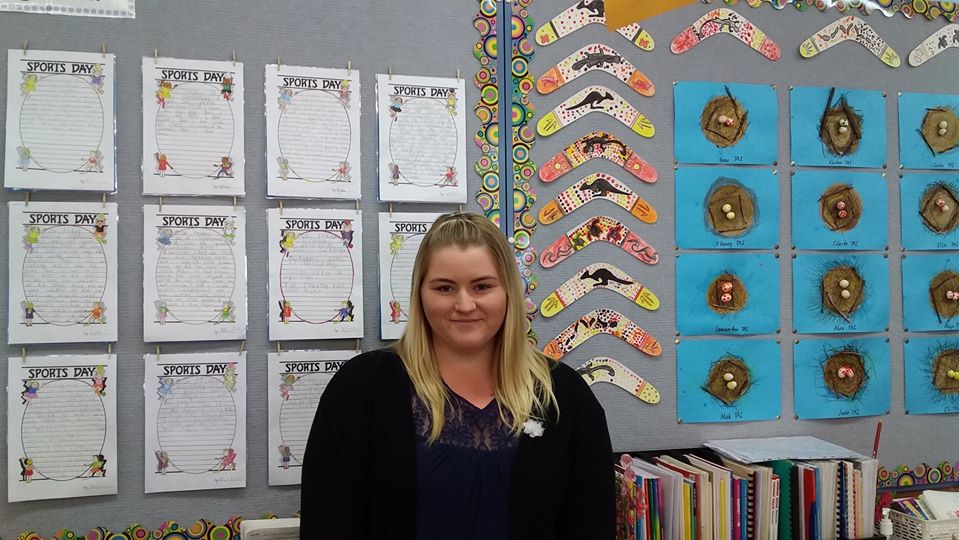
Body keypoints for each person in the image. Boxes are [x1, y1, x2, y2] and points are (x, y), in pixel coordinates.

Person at [301, 212, 614, 539]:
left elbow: (591, 524)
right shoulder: (360, 391)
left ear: (508, 291)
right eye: (445, 287)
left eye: (482, 286)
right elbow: (327, 523)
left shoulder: (565, 397)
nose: (465, 305)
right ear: (420, 294)